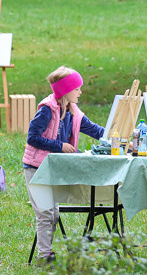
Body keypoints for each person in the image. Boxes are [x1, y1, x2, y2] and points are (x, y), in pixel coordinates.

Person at [22, 67, 105, 262]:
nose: (80, 92)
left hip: (55, 167)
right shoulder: (47, 110)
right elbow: (32, 138)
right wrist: (60, 145)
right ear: (66, 90)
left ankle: (46, 252)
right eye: (77, 89)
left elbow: (94, 130)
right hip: (36, 167)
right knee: (45, 213)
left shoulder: (73, 111)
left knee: (54, 213)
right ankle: (45, 256)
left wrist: (117, 134)